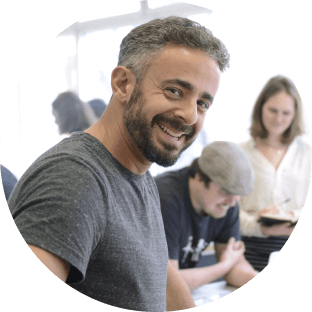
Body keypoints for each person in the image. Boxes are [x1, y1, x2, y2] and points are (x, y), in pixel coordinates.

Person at [8, 16, 229, 311]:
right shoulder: (74, 178)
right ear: (123, 84)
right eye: (175, 91)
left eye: (202, 103)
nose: (190, 115)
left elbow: (160, 277)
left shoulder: (138, 172)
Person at [155, 141, 258, 291]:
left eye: (236, 195)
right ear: (200, 177)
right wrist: (223, 266)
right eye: (225, 191)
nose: (231, 203)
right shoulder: (165, 198)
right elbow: (167, 285)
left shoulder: (228, 203)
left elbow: (234, 265)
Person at [239, 75, 312, 272]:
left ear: (295, 115)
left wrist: (290, 215)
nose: (278, 119)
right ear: (261, 108)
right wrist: (259, 225)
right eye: (273, 110)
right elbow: (230, 211)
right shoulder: (242, 153)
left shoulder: (307, 153)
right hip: (250, 248)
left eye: (286, 113)